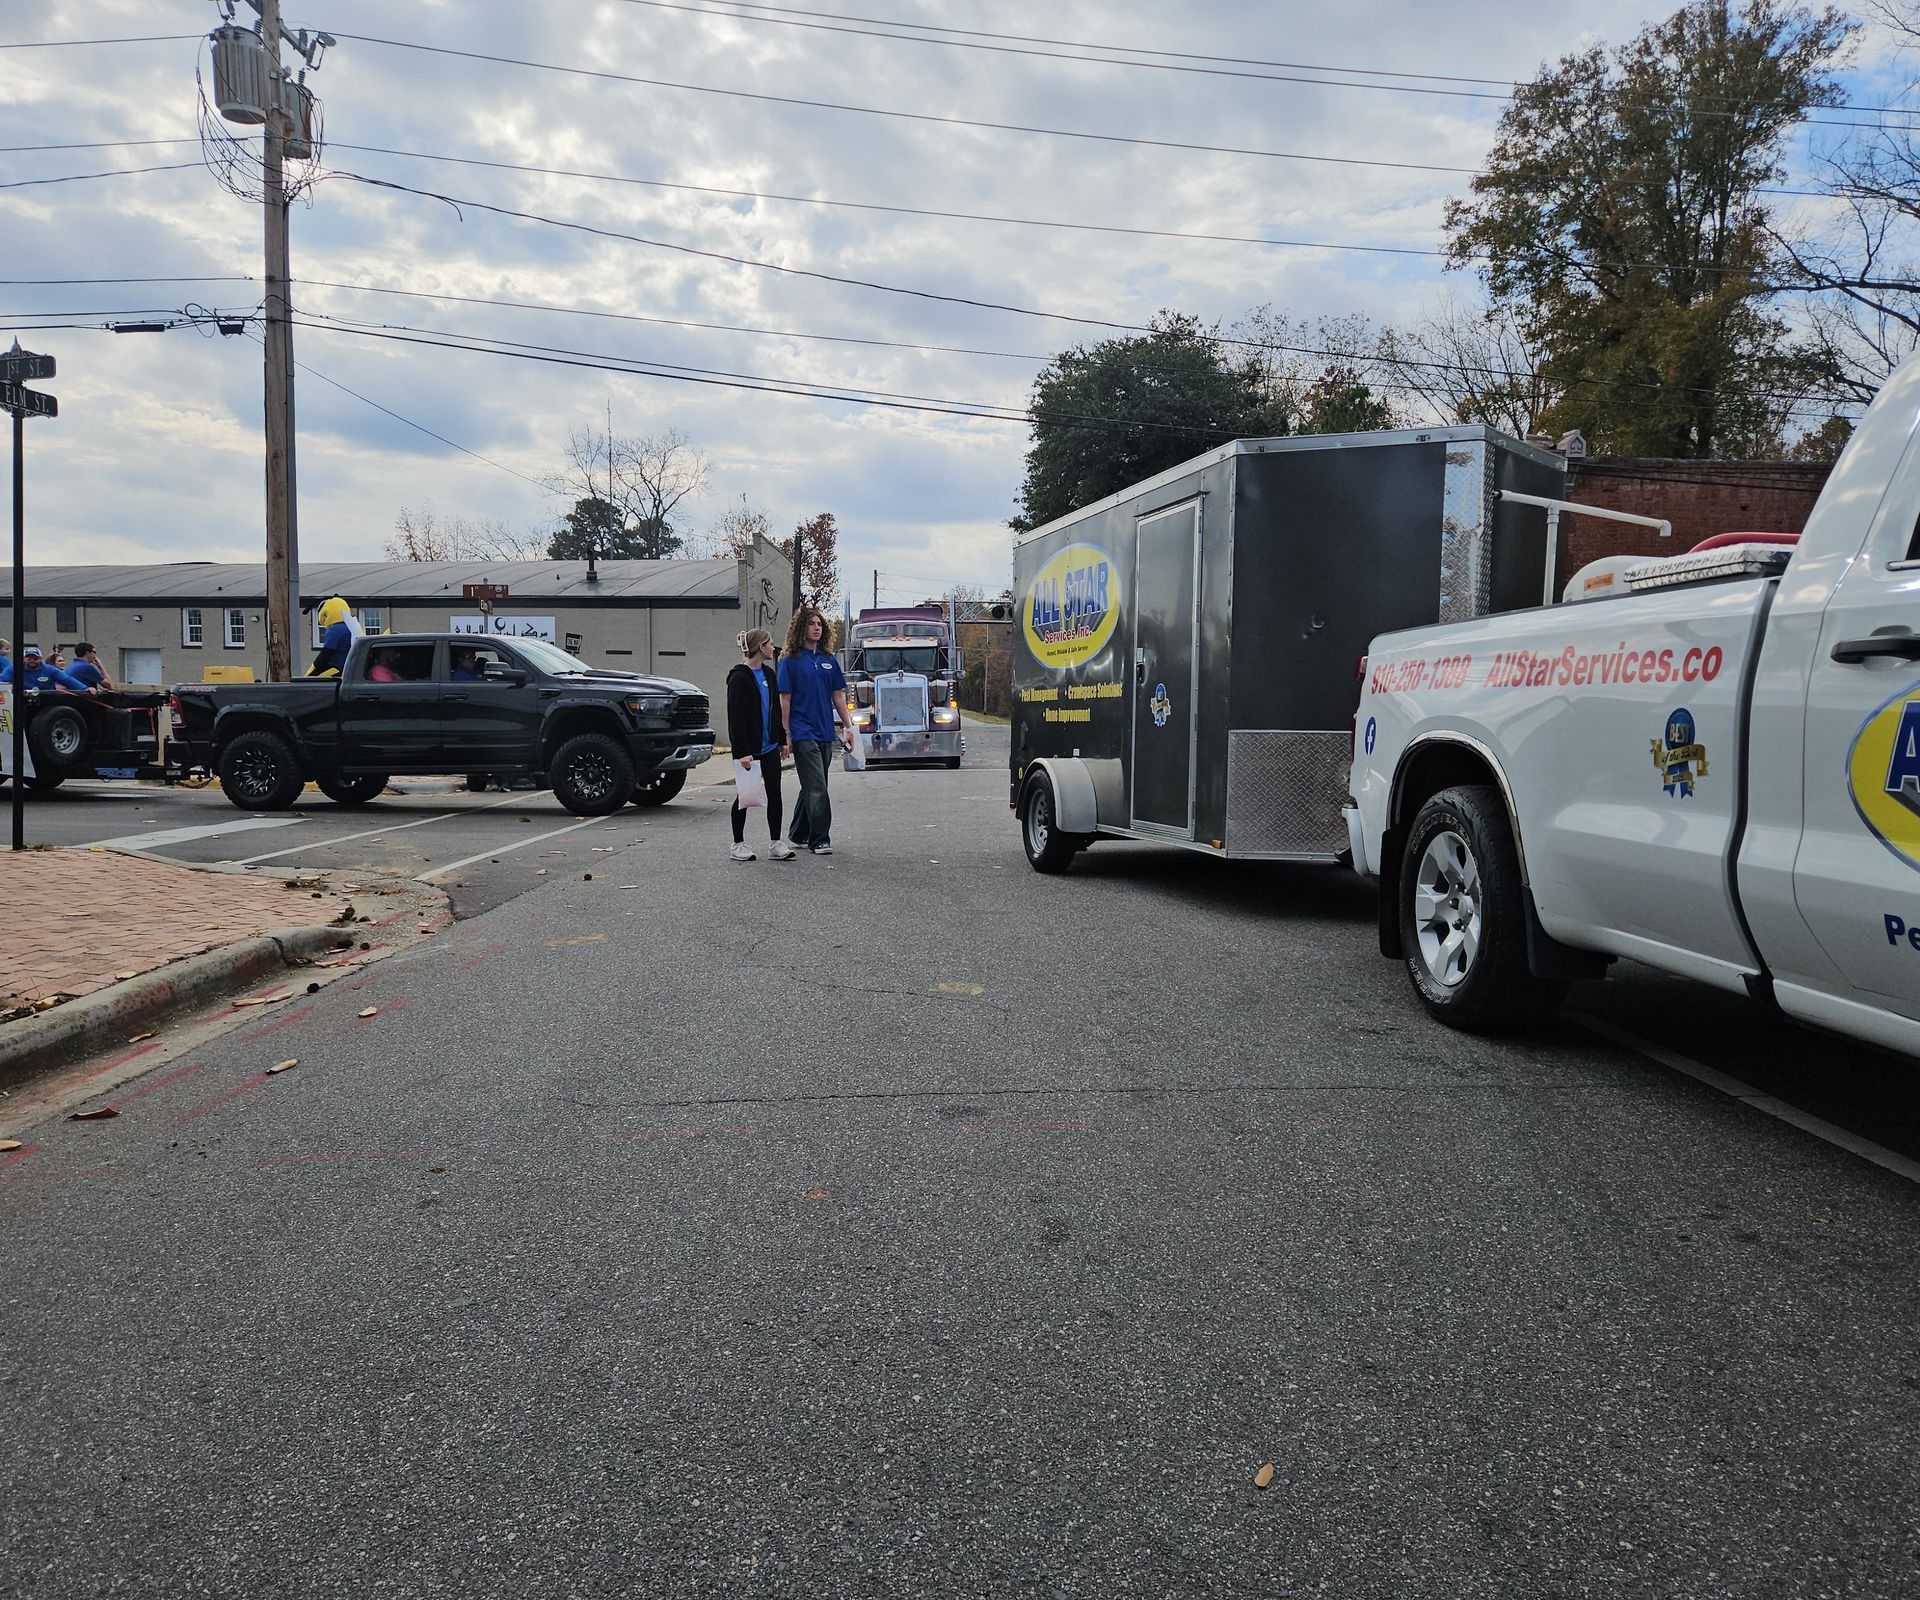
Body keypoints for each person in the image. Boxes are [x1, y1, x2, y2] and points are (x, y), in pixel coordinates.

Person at [775, 605, 855, 856]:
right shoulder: (790, 661)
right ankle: (819, 839)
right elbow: (784, 700)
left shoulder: (829, 660)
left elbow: (838, 697)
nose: (817, 628)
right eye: (812, 624)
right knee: (818, 786)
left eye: (820, 624)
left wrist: (849, 727)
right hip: (802, 731)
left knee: (812, 785)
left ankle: (798, 832)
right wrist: (785, 734)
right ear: (802, 628)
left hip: (825, 732)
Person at [725, 628, 795, 863]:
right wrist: (742, 751)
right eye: (769, 644)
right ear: (758, 647)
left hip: (770, 746)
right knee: (745, 795)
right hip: (749, 749)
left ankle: (776, 842)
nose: (772, 648)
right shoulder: (739, 678)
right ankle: (737, 844)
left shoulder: (769, 674)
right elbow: (736, 717)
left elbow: (774, 709)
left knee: (775, 792)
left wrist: (782, 738)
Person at [11, 643, 94, 694]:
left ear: (40, 659)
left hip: (46, 704)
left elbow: (67, 680)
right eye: (29, 658)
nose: (32, 660)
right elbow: (2, 681)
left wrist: (85, 688)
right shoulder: (13, 669)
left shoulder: (49, 670)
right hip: (21, 703)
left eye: (35, 658)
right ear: (23, 659)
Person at [305, 596, 356, 677]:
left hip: (338, 667)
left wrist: (312, 672)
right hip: (352, 668)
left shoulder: (334, 630)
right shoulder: (353, 626)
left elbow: (326, 654)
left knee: (314, 680)